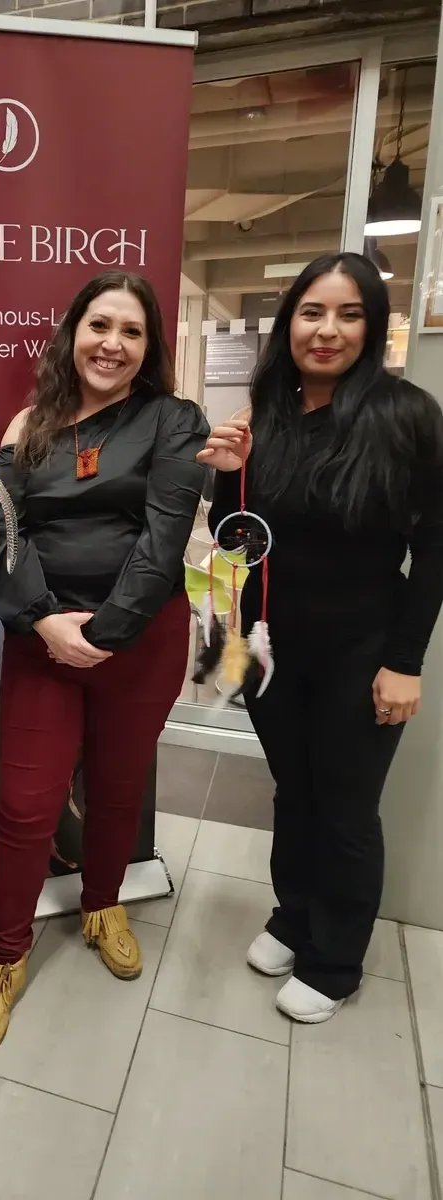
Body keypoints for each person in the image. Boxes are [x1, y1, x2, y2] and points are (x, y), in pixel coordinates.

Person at [0, 270, 209, 1054]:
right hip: (41, 642)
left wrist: (103, 632)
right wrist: (44, 621)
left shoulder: (174, 420)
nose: (113, 344)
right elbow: (2, 531)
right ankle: (5, 954)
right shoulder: (27, 424)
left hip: (142, 639)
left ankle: (102, 903)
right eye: (100, 325)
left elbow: (164, 539)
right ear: (74, 332)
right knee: (26, 806)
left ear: (149, 346)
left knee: (116, 788)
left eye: (132, 331)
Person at [199, 252, 443, 1024]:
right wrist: (227, 474)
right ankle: (295, 917)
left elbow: (435, 546)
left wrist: (404, 663)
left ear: (372, 327)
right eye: (312, 312)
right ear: (289, 323)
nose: (327, 330)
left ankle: (335, 960)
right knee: (294, 792)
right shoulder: (267, 412)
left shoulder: (406, 415)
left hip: (361, 651)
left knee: (345, 808)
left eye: (349, 314)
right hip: (273, 648)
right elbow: (239, 535)